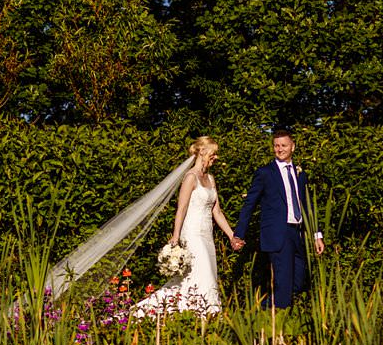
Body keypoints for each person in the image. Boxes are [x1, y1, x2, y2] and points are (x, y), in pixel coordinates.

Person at [133, 137, 239, 318]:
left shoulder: (211, 179)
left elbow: (217, 212)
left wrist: (231, 236)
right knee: (202, 273)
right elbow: (181, 209)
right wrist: (175, 236)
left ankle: (187, 313)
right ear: (202, 153)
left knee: (199, 276)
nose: (216, 157)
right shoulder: (191, 177)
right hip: (192, 234)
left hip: (207, 236)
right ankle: (205, 314)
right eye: (213, 154)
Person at [232, 128, 325, 309]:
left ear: (293, 147)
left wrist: (316, 234)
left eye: (283, 145)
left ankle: (265, 308)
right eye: (276, 146)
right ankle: (269, 321)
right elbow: (249, 204)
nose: (279, 149)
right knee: (283, 287)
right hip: (277, 235)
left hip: (296, 234)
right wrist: (239, 234)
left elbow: (307, 205)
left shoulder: (300, 173)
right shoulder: (265, 173)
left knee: (299, 282)